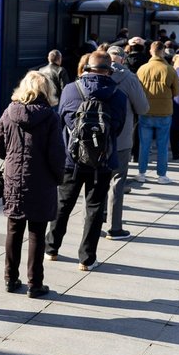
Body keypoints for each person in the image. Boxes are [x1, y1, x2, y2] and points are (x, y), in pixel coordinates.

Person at [46, 51, 127, 271]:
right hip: (102, 161)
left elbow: (62, 118)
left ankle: (51, 249)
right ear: (109, 70)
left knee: (63, 204)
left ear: (87, 68)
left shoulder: (71, 90)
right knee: (94, 208)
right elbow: (117, 128)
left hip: (71, 159)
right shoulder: (118, 96)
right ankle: (86, 258)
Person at [0, 72, 64, 297]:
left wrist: (12, 156)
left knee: (13, 229)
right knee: (37, 232)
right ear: (46, 90)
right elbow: (56, 154)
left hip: (14, 179)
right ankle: (35, 283)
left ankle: (10, 279)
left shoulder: (9, 112)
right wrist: (58, 177)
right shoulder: (51, 117)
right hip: (41, 181)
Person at [104, 46, 149, 239]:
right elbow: (143, 107)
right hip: (121, 138)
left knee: (97, 181)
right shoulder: (129, 79)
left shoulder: (91, 75)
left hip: (94, 139)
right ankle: (114, 228)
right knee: (117, 181)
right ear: (122, 59)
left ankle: (96, 220)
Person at [136, 43, 179, 184]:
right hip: (164, 111)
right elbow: (177, 92)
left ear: (151, 51)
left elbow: (136, 90)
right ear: (162, 52)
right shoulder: (170, 70)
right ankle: (161, 175)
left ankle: (142, 173)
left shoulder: (142, 69)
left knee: (144, 144)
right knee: (162, 145)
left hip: (146, 110)